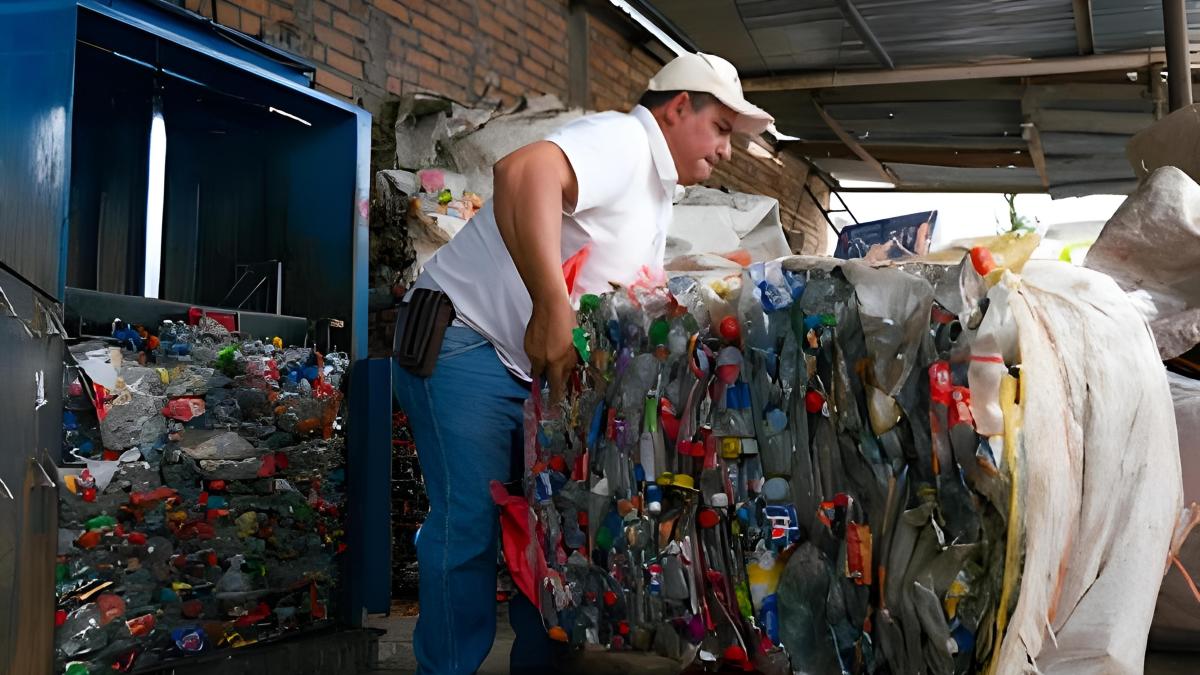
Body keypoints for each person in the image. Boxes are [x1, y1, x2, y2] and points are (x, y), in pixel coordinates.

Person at [392, 52, 773, 674]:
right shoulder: (623, 140)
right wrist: (550, 305)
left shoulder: (655, 193)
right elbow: (522, 172)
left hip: (528, 371)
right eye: (723, 129)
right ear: (679, 108)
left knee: (546, 528)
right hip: (467, 340)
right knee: (468, 525)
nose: (726, 151)